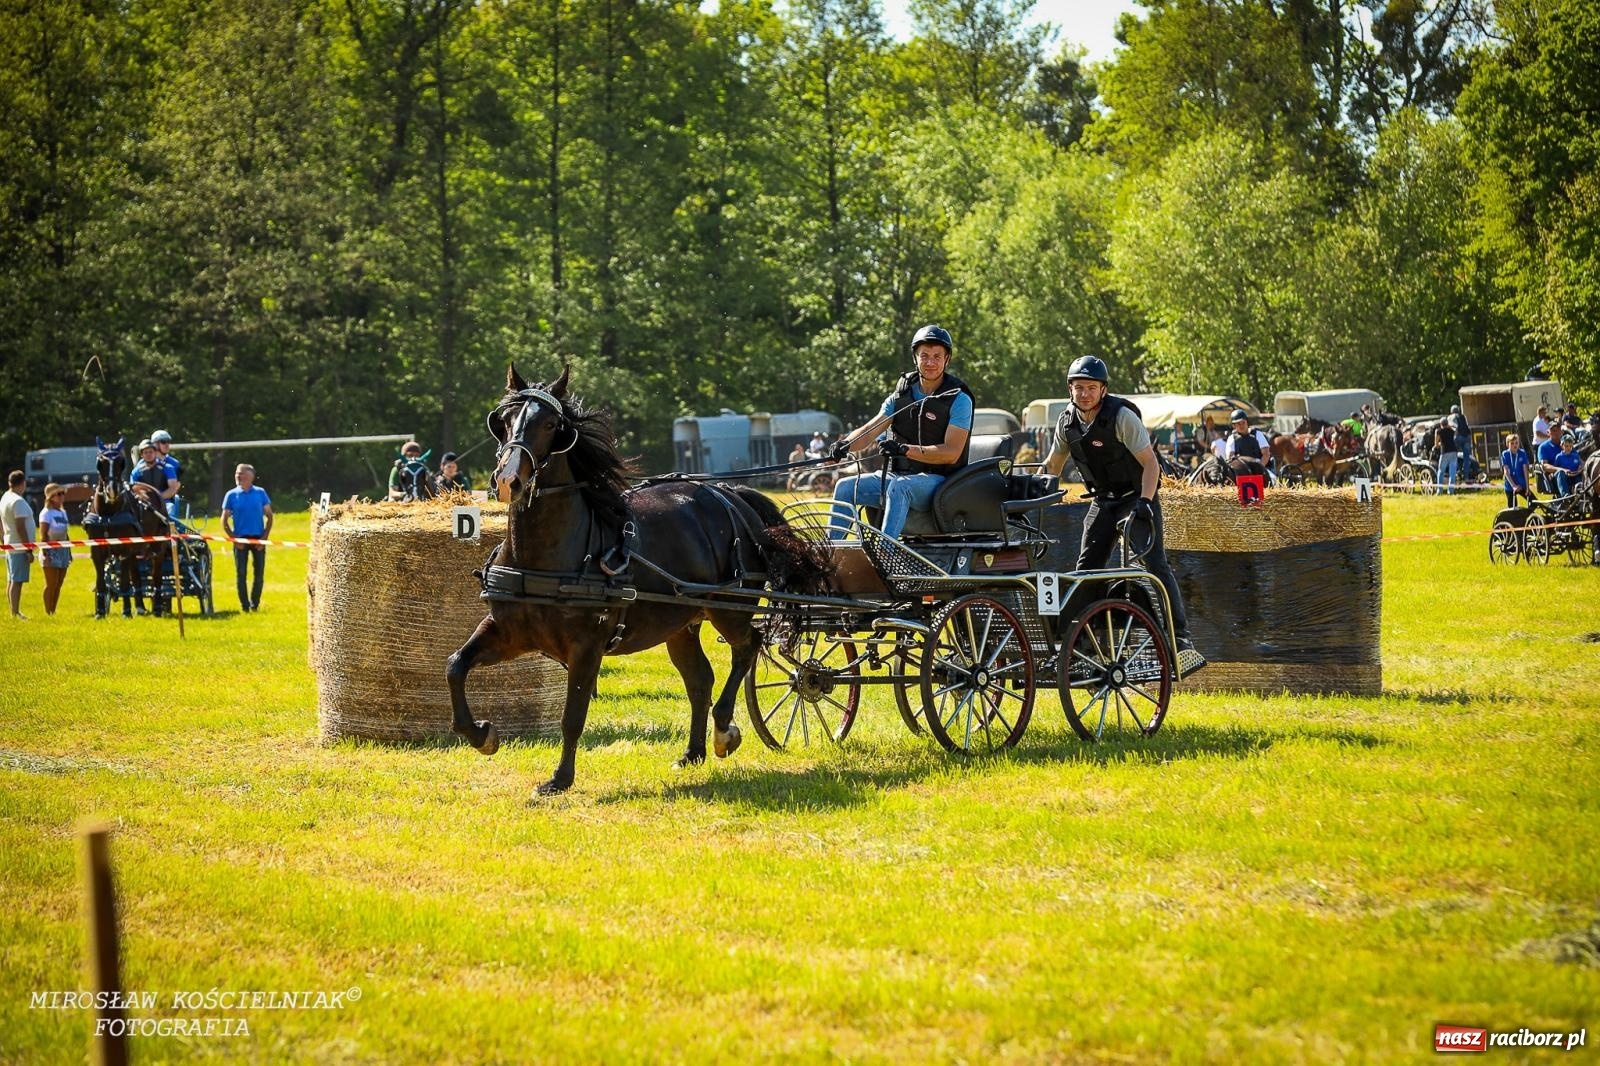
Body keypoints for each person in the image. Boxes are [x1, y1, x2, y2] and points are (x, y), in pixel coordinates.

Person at [1043, 356, 1204, 671]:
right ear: (1070, 390)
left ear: (1103, 390)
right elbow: (1052, 466)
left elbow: (1150, 464)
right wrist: (1032, 491)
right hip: (1103, 502)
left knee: (1154, 564)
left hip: (1136, 498)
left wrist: (1145, 502)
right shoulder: (1066, 423)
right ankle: (1080, 643)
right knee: (1085, 572)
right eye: (1078, 388)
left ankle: (1181, 638)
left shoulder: (1122, 417)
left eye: (1091, 387)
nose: (1084, 394)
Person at [827, 324, 974, 540]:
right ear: (915, 358)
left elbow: (951, 452)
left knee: (900, 487)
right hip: (900, 475)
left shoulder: (959, 399)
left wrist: (904, 450)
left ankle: (887, 554)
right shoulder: (901, 394)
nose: (930, 362)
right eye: (924, 356)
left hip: (939, 481)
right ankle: (831, 559)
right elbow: (869, 431)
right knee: (845, 487)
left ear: (947, 359)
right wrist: (845, 444)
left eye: (937, 356)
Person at [221, 463, 273, 612]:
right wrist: (233, 539)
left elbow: (269, 517)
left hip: (258, 538)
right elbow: (223, 520)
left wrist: (264, 538)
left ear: (251, 476)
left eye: (241, 473)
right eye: (237, 473)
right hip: (240, 540)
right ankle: (244, 606)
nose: (238, 476)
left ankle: (254, 604)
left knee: (259, 574)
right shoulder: (231, 495)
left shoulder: (260, 493)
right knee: (241, 574)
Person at [2, 470, 36, 618]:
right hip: (19, 546)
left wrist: (3, 539)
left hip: (10, 544)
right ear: (23, 484)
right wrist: (28, 549)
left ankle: (14, 611)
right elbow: (20, 526)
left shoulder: (5, 498)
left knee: (11, 580)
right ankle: (15, 612)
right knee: (17, 582)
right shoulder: (18, 501)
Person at [38, 483, 72, 615]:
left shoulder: (63, 512)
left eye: (63, 493)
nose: (62, 496)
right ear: (51, 497)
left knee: (59, 583)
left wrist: (69, 552)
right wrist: (46, 553)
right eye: (59, 494)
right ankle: (48, 612)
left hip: (63, 550)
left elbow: (66, 533)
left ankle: (53, 610)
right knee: (51, 583)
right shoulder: (46, 514)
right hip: (51, 550)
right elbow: (43, 535)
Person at [149, 429, 182, 520]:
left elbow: (176, 486)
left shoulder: (175, 464)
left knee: (172, 506)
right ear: (155, 444)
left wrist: (159, 497)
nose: (167, 444)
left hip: (166, 501)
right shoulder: (144, 463)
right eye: (163, 442)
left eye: (168, 442)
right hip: (147, 501)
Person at [1542, 429, 1583, 497]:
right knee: (1560, 473)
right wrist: (1552, 473)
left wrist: (1580, 468)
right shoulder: (1559, 457)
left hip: (1574, 476)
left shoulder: (1575, 456)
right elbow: (1556, 467)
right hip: (1565, 477)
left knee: (1580, 477)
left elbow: (1581, 463)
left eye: (1570, 446)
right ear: (1562, 446)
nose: (1568, 448)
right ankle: (1565, 495)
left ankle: (1580, 492)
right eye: (1566, 446)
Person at [1500, 433, 1533, 509]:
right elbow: (1506, 471)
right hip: (1510, 485)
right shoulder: (1505, 454)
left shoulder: (1522, 453)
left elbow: (1525, 470)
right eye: (1512, 443)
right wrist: (1513, 486)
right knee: (1512, 508)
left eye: (1516, 443)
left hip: (1521, 484)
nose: (1515, 445)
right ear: (1507, 444)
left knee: (1533, 502)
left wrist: (1527, 488)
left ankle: (1529, 516)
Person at [1435, 418, 1458, 494]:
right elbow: (1455, 431)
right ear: (1447, 423)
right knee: (1452, 473)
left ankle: (1439, 490)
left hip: (1444, 452)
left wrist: (1438, 444)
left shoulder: (1439, 431)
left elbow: (1436, 444)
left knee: (1441, 471)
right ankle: (1451, 491)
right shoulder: (1451, 431)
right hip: (1453, 452)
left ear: (1441, 424)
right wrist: (1449, 426)